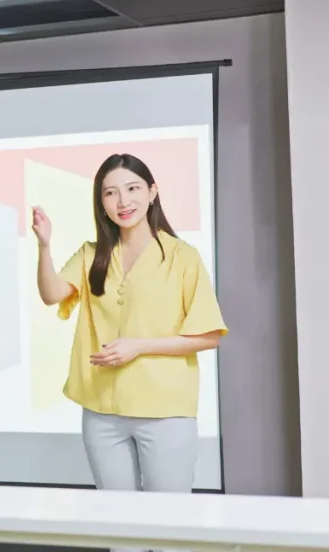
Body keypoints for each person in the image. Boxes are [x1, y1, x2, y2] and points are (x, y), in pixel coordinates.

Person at [33, 153, 227, 501]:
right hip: (102, 414)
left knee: (168, 526)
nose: (123, 201)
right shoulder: (92, 254)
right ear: (101, 202)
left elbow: (209, 335)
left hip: (166, 413)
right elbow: (52, 294)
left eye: (133, 188)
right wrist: (44, 245)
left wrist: (139, 346)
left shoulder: (183, 257)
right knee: (118, 526)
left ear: (153, 192)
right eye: (110, 193)